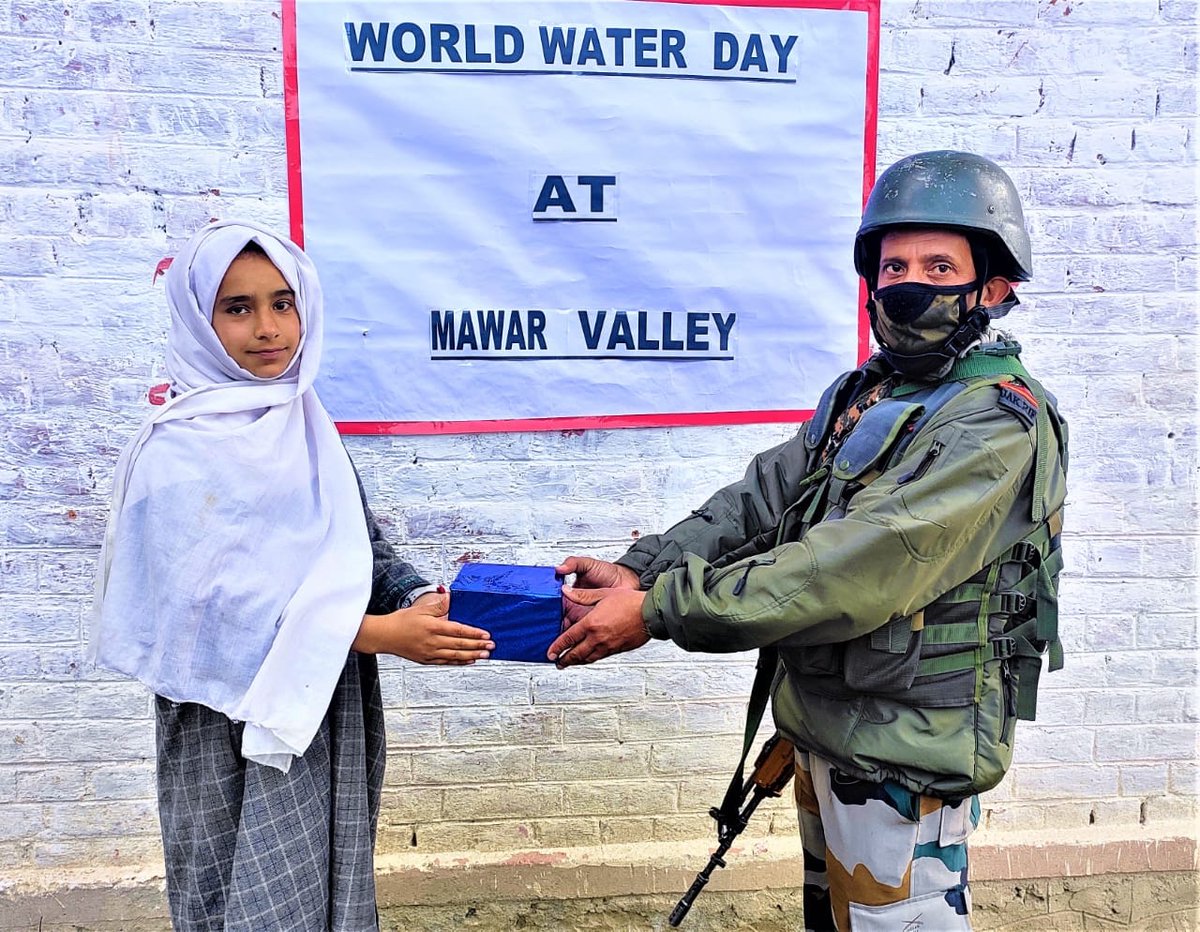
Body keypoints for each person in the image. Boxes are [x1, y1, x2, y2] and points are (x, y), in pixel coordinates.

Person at [548, 151, 1068, 931]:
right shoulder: (870, 394)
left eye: (938, 264)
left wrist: (656, 610)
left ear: (993, 288)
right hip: (828, 724)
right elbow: (762, 499)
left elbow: (848, 569)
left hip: (906, 748)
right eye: (894, 265)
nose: (908, 283)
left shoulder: (994, 423)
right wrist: (637, 568)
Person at [91, 220, 495, 931]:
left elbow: (359, 547)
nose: (268, 328)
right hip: (225, 723)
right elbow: (199, 613)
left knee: (325, 882)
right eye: (237, 307)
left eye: (283, 303)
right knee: (238, 891)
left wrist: (420, 600)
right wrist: (374, 634)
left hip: (320, 701)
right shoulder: (174, 452)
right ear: (198, 318)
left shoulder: (308, 426)